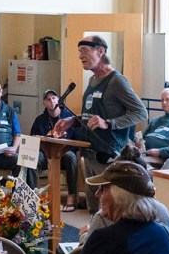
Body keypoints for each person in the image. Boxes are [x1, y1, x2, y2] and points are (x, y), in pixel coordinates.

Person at [52, 35, 147, 215]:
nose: (80, 56)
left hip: (110, 155)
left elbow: (141, 113)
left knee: (110, 210)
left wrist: (110, 123)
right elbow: (93, 114)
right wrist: (72, 120)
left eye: (85, 51)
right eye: (79, 52)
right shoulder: (92, 81)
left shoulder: (117, 81)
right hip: (89, 153)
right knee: (94, 210)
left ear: (101, 51)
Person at [80, 145, 169, 244]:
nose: (97, 194)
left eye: (104, 188)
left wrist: (85, 236)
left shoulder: (103, 216)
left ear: (118, 189)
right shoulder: (164, 212)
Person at [30, 89, 79, 211]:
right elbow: (32, 141)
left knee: (71, 157)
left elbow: (79, 141)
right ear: (44, 103)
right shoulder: (40, 120)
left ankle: (71, 196)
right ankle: (31, 196)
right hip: (45, 155)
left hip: (64, 155)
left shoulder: (69, 118)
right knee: (32, 159)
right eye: (48, 99)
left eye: (54, 98)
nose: (51, 101)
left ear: (58, 100)